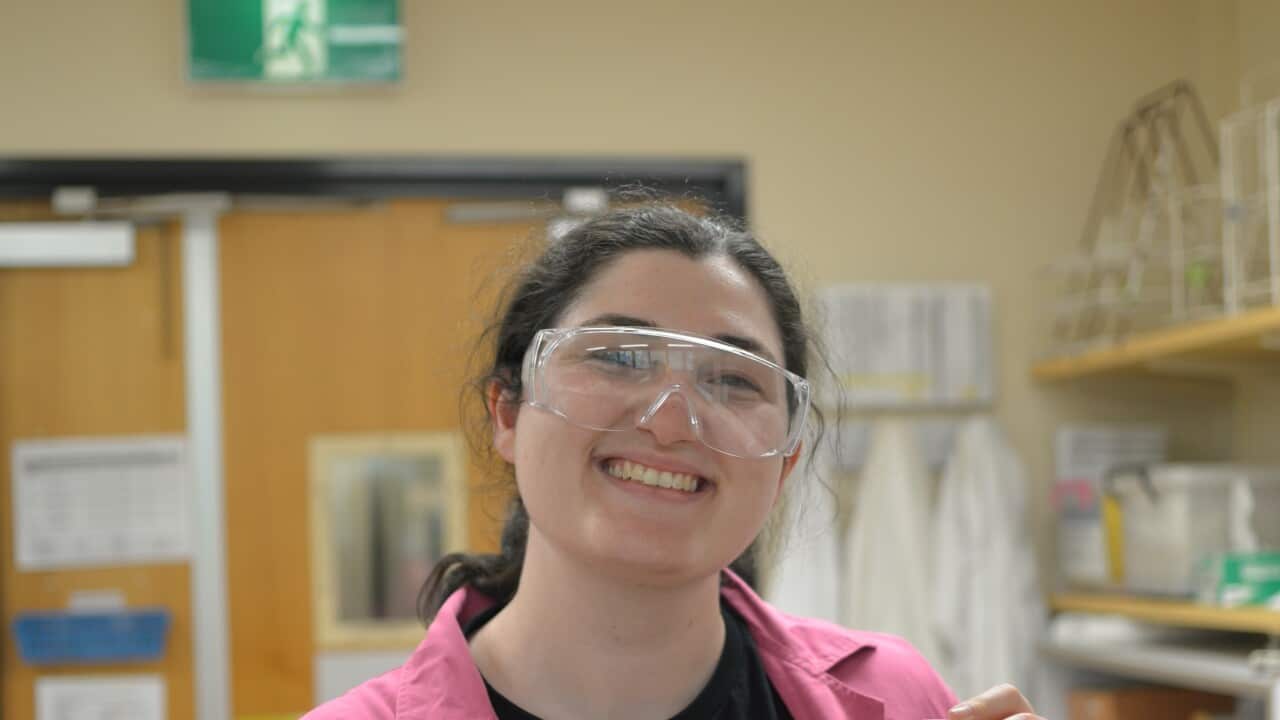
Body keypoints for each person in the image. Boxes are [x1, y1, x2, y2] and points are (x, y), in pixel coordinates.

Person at [303, 204, 1045, 719]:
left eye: (732, 380)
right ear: (508, 411)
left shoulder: (894, 697)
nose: (670, 421)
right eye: (620, 357)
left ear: (783, 464)